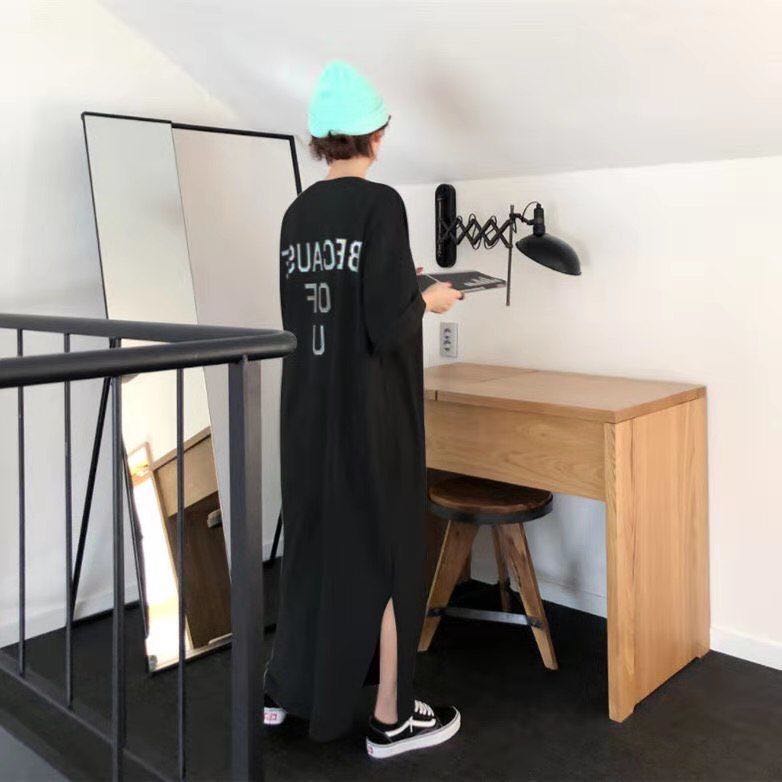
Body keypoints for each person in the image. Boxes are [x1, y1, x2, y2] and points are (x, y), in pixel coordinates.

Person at [264, 60, 462, 759]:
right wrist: (429, 299)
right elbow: (384, 326)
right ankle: (391, 718)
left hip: (307, 407)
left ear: (323, 139)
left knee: (314, 546)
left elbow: (322, 304)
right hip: (369, 415)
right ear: (375, 136)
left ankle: (286, 689)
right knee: (387, 553)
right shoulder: (382, 206)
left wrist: (399, 283)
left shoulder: (297, 213)